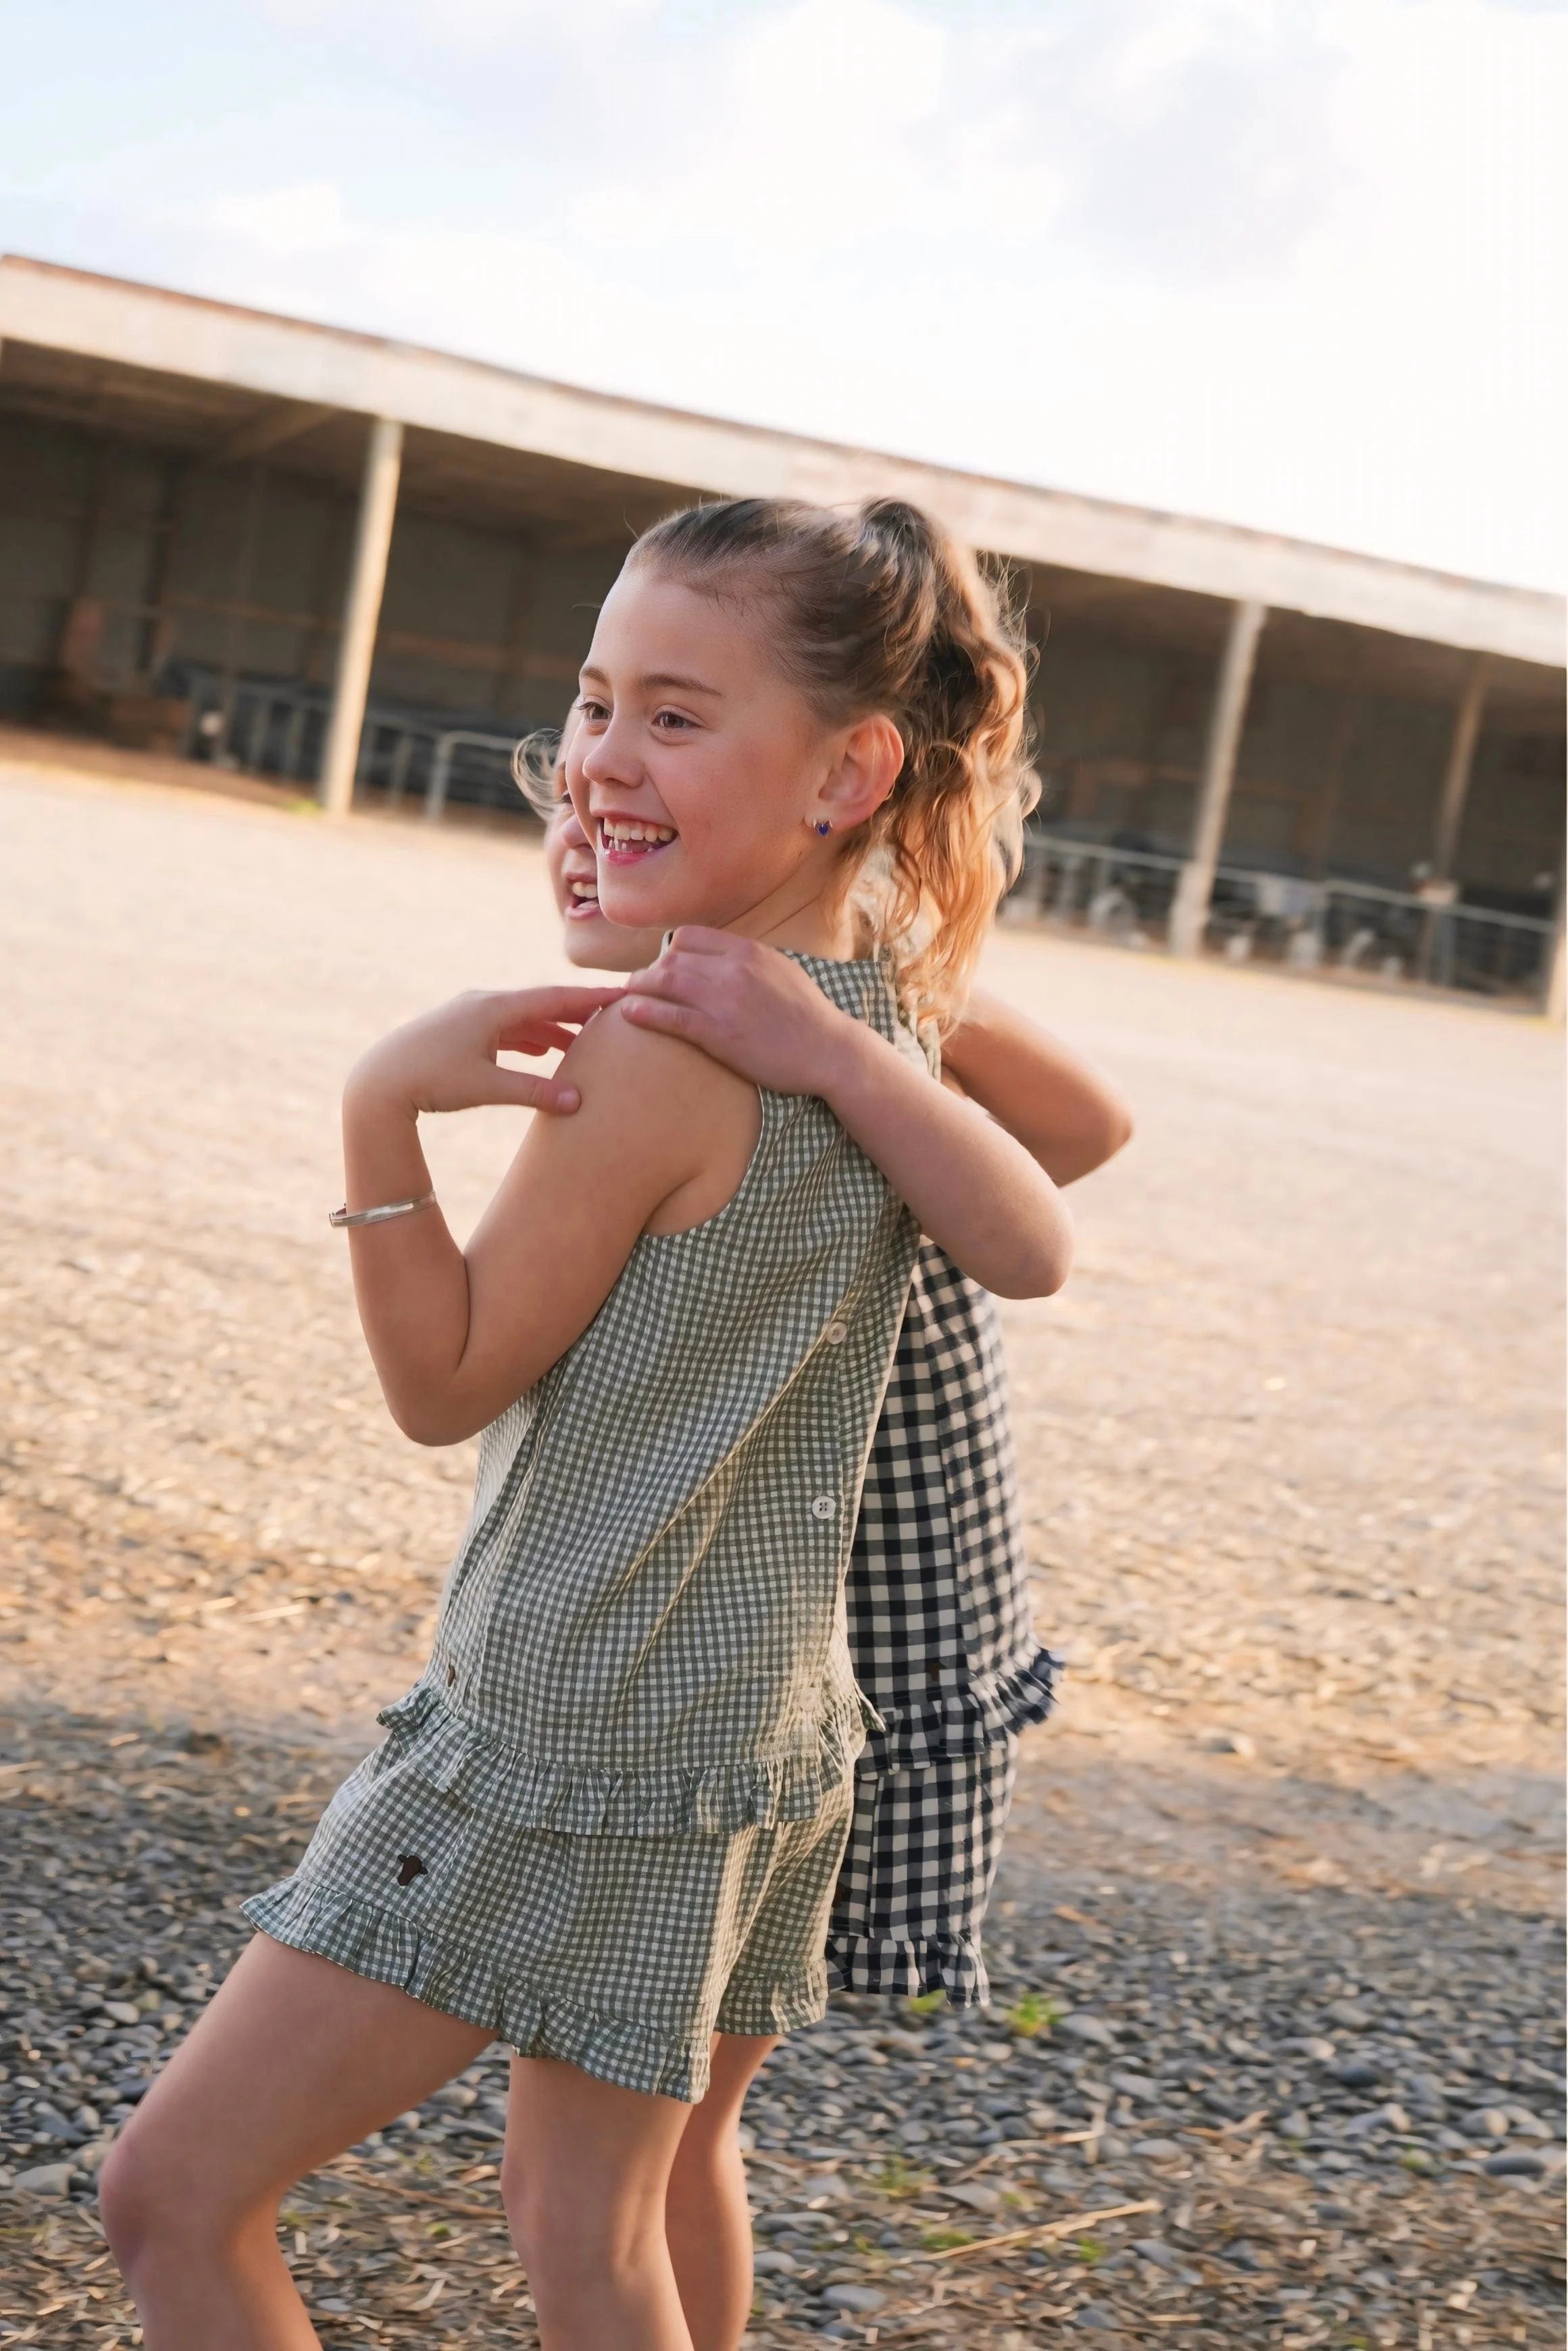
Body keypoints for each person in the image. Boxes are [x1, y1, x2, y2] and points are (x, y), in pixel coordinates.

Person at [99, 495, 1075, 2351]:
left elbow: (440, 1383)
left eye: (676, 716)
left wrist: (383, 1108)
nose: (602, 756)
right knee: (608, 2216)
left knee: (174, 2198)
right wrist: (849, 1053)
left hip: (576, 1731)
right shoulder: (864, 1020)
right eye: (594, 697)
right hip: (750, 1740)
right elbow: (1039, 1226)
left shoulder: (660, 1057)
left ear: (849, 770)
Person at [534, 779, 1132, 2347]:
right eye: (572, 803)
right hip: (761, 1635)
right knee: (656, 2152)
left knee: (632, 2160)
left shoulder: (847, 1029)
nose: (584, 830)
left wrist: (854, 1011)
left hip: (840, 1651)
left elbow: (1083, 1142)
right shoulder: (701, 1037)